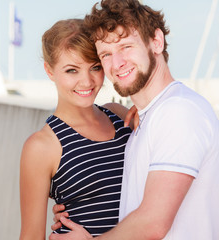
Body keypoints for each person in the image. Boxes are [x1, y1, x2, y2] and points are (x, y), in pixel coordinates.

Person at [49, 0, 219, 239]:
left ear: (156, 42)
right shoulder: (148, 117)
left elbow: (153, 223)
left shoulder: (178, 112)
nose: (117, 63)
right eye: (105, 54)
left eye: (126, 46)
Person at [19, 18, 134, 239]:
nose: (86, 81)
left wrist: (145, 109)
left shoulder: (120, 115)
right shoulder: (41, 146)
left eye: (95, 67)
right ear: (50, 71)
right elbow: (31, 235)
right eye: (72, 70)